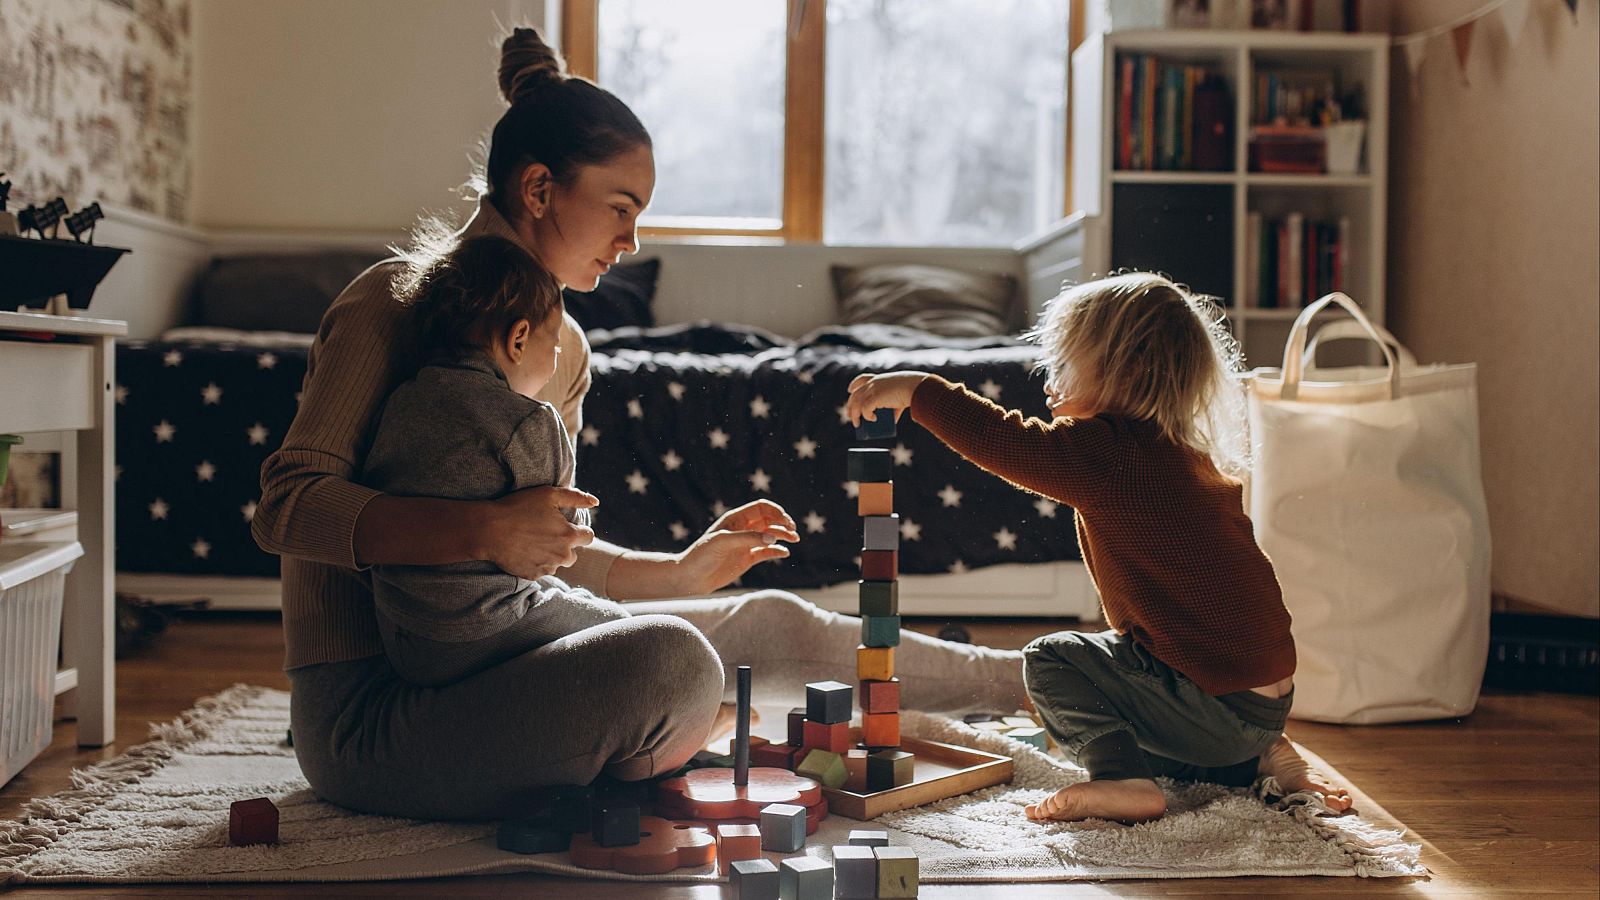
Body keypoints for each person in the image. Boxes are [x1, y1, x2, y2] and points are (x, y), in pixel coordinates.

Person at [253, 26, 1026, 821]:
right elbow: (286, 507)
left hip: (507, 652)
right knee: (670, 666)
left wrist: (680, 573)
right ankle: (655, 742)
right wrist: (481, 530)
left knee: (768, 621)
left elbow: (545, 553)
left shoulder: (565, 348)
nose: (630, 242)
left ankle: (1032, 681)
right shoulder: (390, 301)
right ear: (539, 189)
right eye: (621, 210)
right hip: (373, 714)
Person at [844, 272, 1354, 824]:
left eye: (1064, 365)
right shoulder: (1184, 452)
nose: (1048, 383)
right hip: (1263, 703)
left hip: (1212, 700)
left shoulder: (1109, 450)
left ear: (1125, 370)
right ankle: (1259, 757)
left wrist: (919, 389)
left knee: (1052, 661)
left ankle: (1122, 780)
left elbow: (1005, 439)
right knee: (1120, 705)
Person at [362, 234, 633, 687]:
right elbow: (563, 527)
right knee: (626, 629)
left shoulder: (400, 402)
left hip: (407, 640)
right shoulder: (529, 420)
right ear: (518, 339)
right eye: (555, 347)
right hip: (489, 626)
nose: (556, 360)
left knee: (556, 595)